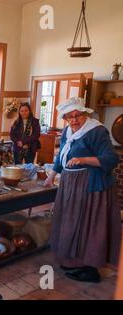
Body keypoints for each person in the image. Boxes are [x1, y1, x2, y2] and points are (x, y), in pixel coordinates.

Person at [44, 97, 121, 283]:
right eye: (69, 117)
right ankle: (74, 260)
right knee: (71, 223)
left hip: (91, 186)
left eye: (77, 115)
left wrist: (84, 160)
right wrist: (52, 175)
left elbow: (111, 159)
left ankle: (90, 268)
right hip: (70, 184)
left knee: (89, 225)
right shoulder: (68, 132)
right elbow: (62, 154)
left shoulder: (96, 131)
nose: (74, 120)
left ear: (85, 114)